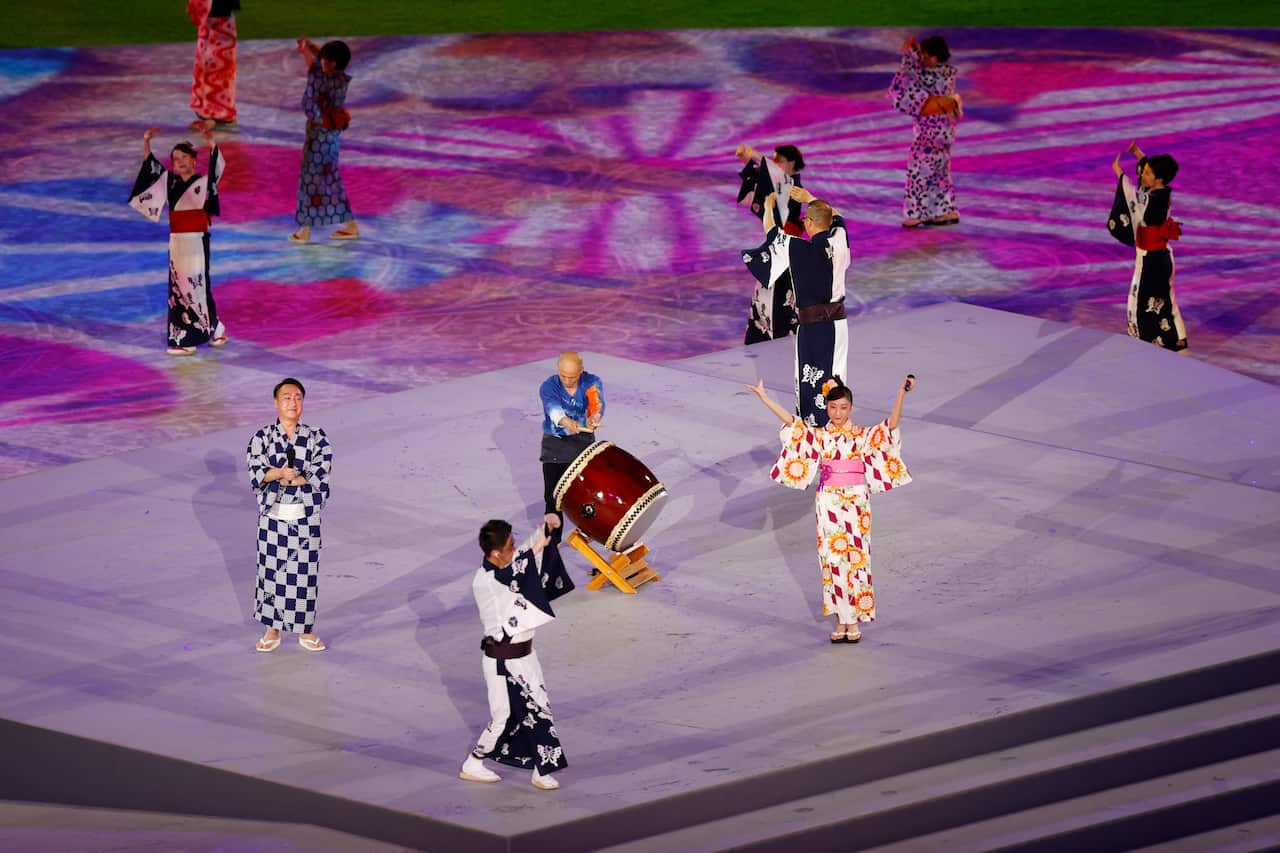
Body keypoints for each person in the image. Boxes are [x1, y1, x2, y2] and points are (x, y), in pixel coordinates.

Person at [747, 374, 914, 643]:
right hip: (828, 501)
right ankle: (841, 620)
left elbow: (890, 427)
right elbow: (792, 425)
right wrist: (764, 398)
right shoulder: (820, 437)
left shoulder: (862, 436)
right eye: (833, 407)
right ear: (827, 407)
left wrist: (901, 394)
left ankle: (854, 619)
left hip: (857, 501)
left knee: (857, 558)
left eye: (843, 407)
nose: (837, 413)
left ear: (851, 407)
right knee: (832, 559)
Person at [460, 516, 574, 790]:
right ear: (496, 552)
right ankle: (474, 762)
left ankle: (540, 769)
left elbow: (522, 556)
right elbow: (512, 574)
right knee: (502, 717)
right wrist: (535, 549)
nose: (515, 548)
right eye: (510, 546)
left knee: (539, 709)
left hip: (525, 657)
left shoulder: (508, 562)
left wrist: (547, 527)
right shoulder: (485, 581)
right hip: (502, 661)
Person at [742, 189, 850, 427]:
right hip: (838, 326)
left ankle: (812, 430)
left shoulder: (797, 249)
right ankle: (837, 428)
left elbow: (771, 232)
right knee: (836, 374)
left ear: (808, 223)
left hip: (812, 328)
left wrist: (768, 206)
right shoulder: (840, 239)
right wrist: (809, 198)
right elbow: (838, 217)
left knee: (809, 377)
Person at [246, 378, 333, 653]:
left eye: (297, 397)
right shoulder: (262, 437)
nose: (292, 402)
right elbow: (257, 472)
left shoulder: (317, 436)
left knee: (304, 575)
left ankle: (305, 629)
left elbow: (320, 475)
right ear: (276, 403)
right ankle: (272, 628)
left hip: (305, 516)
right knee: (270, 573)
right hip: (273, 517)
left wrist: (286, 477)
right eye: (286, 397)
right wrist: (279, 474)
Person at [129, 126, 229, 355]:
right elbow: (151, 169)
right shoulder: (169, 182)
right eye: (175, 159)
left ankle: (192, 337)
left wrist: (209, 139)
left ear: (194, 160)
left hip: (197, 241)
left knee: (197, 286)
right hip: (177, 242)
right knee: (179, 288)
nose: (180, 161)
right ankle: (213, 329)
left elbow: (216, 168)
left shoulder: (202, 183)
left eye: (185, 157)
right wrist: (146, 142)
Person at [1108, 141, 1187, 351]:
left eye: (1148, 173)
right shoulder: (1161, 190)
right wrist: (1136, 152)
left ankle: (1142, 341)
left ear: (1159, 178)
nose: (1142, 174)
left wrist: (1119, 173)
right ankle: (1178, 339)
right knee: (1167, 300)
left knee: (1139, 300)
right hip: (1161, 257)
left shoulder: (1155, 200)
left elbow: (1133, 196)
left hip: (1151, 259)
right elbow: (1146, 168)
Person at [290, 39, 359, 242]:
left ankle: (305, 229)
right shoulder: (340, 78)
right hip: (331, 133)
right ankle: (350, 224)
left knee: (310, 177)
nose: (321, 62)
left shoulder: (322, 80)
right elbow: (318, 62)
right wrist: (308, 48)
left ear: (333, 63)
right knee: (330, 176)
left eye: (326, 60)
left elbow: (310, 96)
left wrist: (307, 50)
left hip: (319, 133)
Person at [888, 35, 961, 228]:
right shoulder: (947, 73)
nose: (923, 58)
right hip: (944, 132)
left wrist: (909, 54)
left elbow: (908, 78)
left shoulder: (930, 75)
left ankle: (916, 214)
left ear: (934, 56)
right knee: (939, 172)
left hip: (930, 133)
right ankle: (945, 211)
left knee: (917, 170)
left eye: (926, 54)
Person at [735, 144, 805, 343]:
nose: (774, 165)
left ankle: (781, 331)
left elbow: (771, 175)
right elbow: (760, 180)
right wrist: (747, 161)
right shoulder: (780, 184)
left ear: (791, 162)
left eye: (779, 161)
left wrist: (754, 155)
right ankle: (762, 332)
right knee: (766, 290)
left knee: (781, 292)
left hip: (787, 247)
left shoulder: (792, 185)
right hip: (776, 246)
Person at [539, 352, 604, 543]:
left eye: (572, 377)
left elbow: (596, 403)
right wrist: (565, 421)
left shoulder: (592, 381)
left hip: (582, 443)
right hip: (555, 444)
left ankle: (592, 534)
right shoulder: (548, 386)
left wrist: (594, 417)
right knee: (552, 496)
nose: (567, 381)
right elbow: (552, 408)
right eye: (563, 376)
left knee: (587, 494)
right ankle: (551, 542)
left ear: (581, 371)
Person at [187, 0, 239, 131]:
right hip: (215, 21)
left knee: (216, 67)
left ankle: (216, 114)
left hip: (219, 20)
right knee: (208, 66)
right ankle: (211, 113)